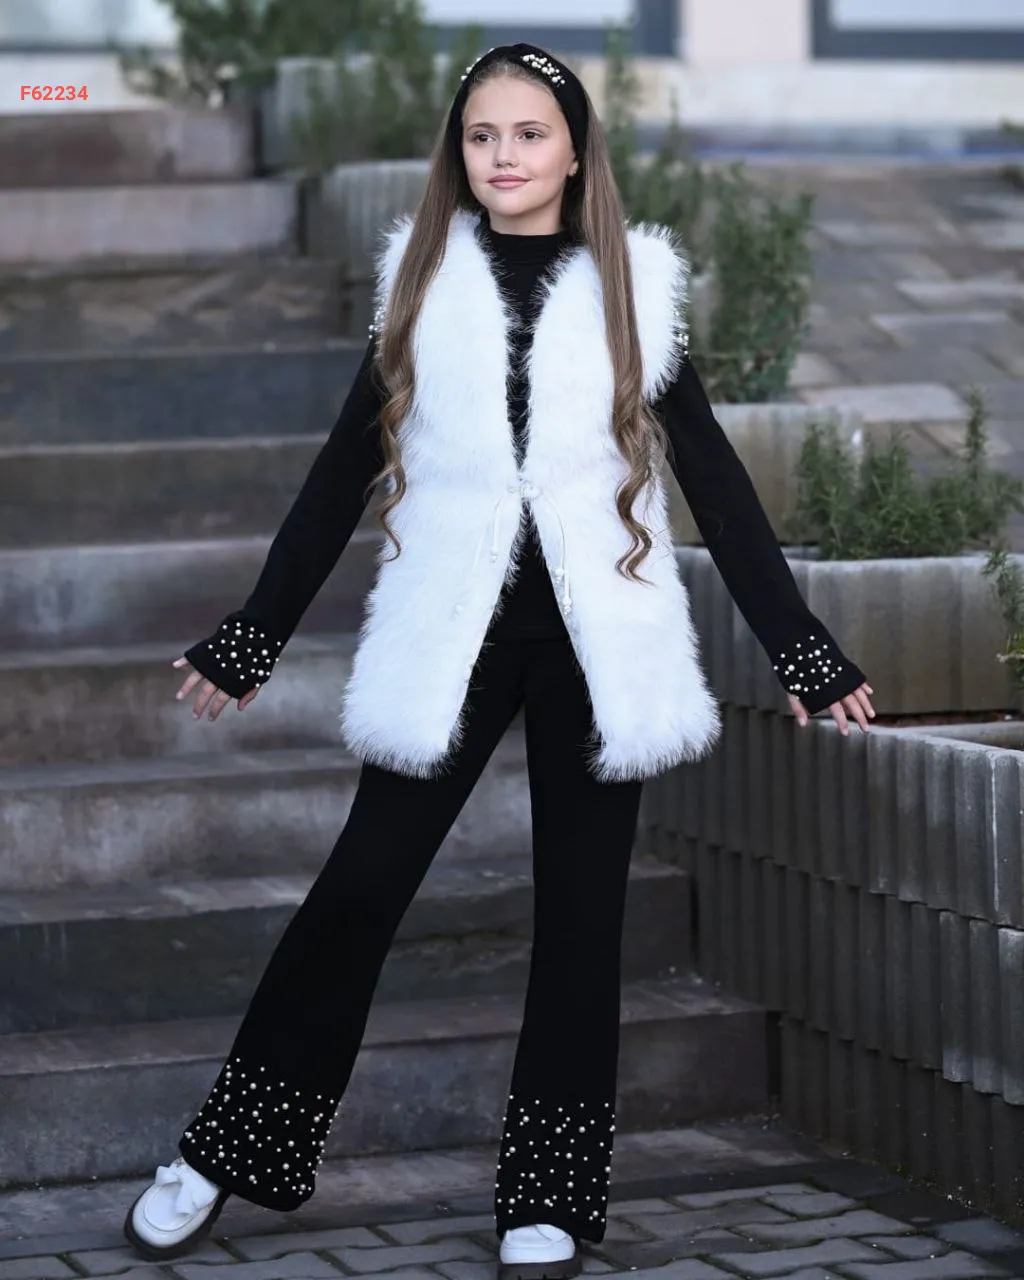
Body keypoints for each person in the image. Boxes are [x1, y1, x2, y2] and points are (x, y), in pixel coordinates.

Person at [123, 40, 874, 1276]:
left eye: (529, 133)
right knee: (358, 891)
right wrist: (255, 630)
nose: (504, 155)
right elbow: (336, 476)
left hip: (596, 648)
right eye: (482, 136)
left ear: (574, 150)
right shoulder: (420, 285)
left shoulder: (634, 288)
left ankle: (549, 1191)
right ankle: (225, 1146)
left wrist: (801, 646)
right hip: (452, 640)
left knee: (581, 924)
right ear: (457, 154)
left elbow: (717, 482)